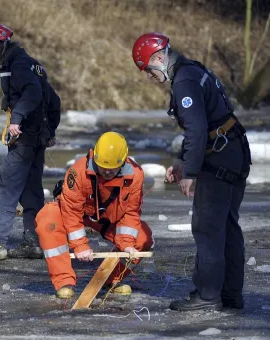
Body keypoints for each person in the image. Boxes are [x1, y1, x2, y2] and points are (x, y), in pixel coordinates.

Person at [132, 33, 251, 311]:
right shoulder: (193, 71)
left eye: (148, 70)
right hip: (233, 152)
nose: (149, 75)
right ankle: (231, 295)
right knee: (227, 227)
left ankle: (208, 295)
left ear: (159, 58)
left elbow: (197, 128)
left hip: (219, 161)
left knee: (207, 228)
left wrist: (191, 172)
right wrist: (181, 161)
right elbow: (203, 125)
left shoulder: (184, 82)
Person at [0, 24, 61, 261]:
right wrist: (50, 129)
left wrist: (16, 120)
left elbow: (33, 93)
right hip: (37, 139)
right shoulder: (31, 63)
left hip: (24, 139)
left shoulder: (18, 64)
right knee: (31, 193)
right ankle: (34, 243)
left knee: (7, 187)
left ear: (0, 45)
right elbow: (54, 100)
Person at [35, 132, 154, 299]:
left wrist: (126, 244)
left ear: (123, 161)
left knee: (142, 238)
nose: (106, 172)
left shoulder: (135, 175)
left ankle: (110, 279)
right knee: (48, 220)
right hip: (78, 214)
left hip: (108, 218)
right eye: (102, 167)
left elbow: (130, 213)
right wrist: (79, 245)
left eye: (111, 169)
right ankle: (64, 282)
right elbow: (71, 210)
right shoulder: (77, 171)